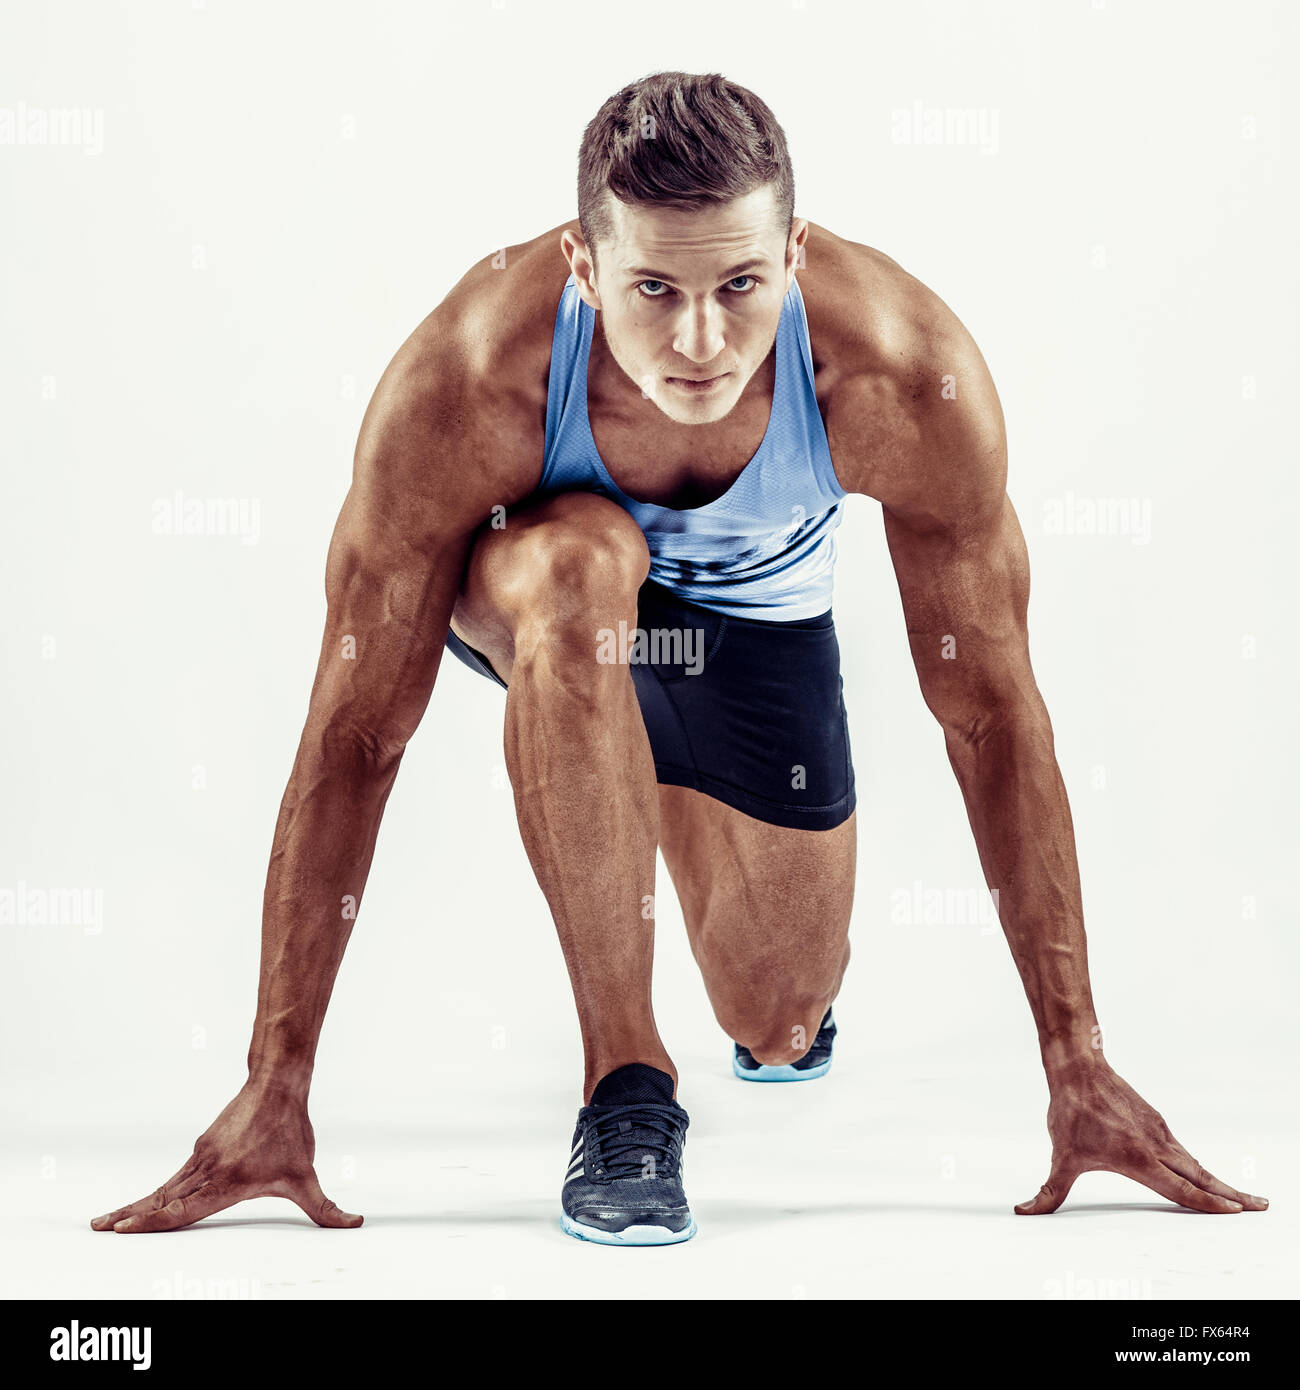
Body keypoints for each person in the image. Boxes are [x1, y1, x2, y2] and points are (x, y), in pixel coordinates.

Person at [92, 71, 1267, 1246]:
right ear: (583, 265)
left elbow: (992, 717)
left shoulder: (906, 373)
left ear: (795, 254)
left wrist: (1077, 1059)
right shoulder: (465, 380)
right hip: (550, 597)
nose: (701, 341)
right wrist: (275, 1080)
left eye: (740, 285)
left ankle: (641, 781)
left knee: (781, 1021)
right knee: (579, 577)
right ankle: (626, 1091)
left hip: (752, 627)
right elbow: (356, 730)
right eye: (652, 287)